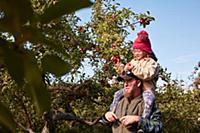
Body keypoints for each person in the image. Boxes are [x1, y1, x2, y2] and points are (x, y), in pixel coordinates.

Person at [111, 30, 160, 119]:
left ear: (145, 51)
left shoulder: (152, 63)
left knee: (149, 101)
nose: (136, 53)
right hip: (134, 89)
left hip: (146, 89)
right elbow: (127, 75)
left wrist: (133, 68)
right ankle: (112, 112)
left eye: (139, 51)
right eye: (134, 51)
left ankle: (144, 120)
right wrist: (121, 67)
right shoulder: (133, 61)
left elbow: (148, 75)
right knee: (117, 94)